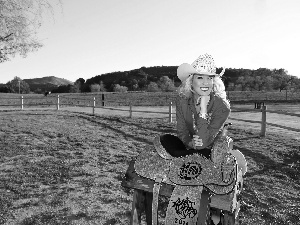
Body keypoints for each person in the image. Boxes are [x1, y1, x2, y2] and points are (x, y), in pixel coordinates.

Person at [158, 53, 230, 159]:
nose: (206, 83)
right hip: (189, 146)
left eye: (209, 78)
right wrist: (189, 142)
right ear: (191, 81)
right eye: (200, 77)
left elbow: (203, 143)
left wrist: (203, 110)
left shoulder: (222, 107)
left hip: (213, 151)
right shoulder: (182, 101)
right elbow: (182, 130)